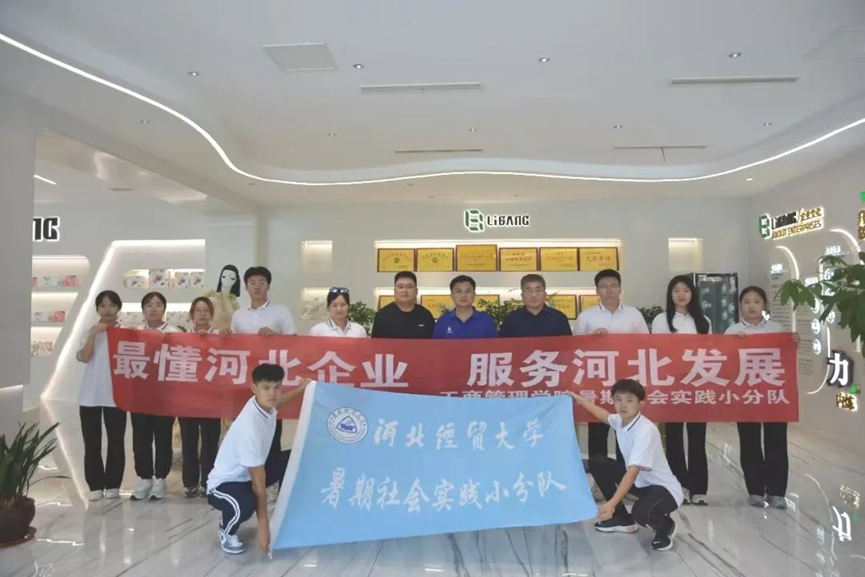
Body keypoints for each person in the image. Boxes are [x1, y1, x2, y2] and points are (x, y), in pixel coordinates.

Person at [206, 365, 310, 555]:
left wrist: (300, 390)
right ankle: (226, 530)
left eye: (277, 387)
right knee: (244, 506)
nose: (272, 393)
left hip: (249, 475)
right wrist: (264, 527)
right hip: (225, 484)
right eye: (266, 388)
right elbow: (258, 484)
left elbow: (277, 404)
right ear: (254, 388)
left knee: (296, 458)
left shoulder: (263, 405)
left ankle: (287, 513)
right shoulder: (250, 428)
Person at [570, 379, 684, 552]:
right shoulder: (621, 420)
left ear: (640, 404)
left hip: (665, 490)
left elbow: (632, 472)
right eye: (618, 399)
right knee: (597, 462)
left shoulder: (645, 431)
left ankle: (665, 525)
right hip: (641, 484)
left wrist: (611, 503)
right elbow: (603, 415)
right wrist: (581, 400)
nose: (623, 405)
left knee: (640, 513)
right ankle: (622, 518)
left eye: (629, 400)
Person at [725, 286, 797, 509]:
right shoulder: (732, 331)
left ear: (764, 305)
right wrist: (733, 344)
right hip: (746, 394)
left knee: (777, 442)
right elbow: (724, 362)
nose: (752, 306)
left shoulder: (777, 329)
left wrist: (793, 341)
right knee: (750, 442)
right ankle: (755, 490)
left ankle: (777, 492)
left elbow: (786, 358)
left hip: (774, 394)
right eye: (747, 302)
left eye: (756, 301)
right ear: (740, 305)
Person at [229, 266, 296, 500]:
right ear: (246, 286)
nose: (257, 287)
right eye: (252, 282)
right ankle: (245, 479)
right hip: (246, 382)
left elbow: (295, 342)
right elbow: (232, 347)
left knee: (272, 434)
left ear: (268, 285)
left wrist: (276, 337)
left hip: (271, 385)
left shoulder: (281, 312)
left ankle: (272, 482)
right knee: (247, 432)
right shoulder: (239, 316)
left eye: (261, 282)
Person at [573, 269, 648, 468]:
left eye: (613, 286)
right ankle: (600, 479)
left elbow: (646, 344)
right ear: (597, 290)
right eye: (604, 287)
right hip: (597, 383)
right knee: (597, 434)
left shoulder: (633, 315)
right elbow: (575, 349)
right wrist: (591, 339)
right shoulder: (586, 316)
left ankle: (626, 478)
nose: (609, 290)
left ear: (620, 288)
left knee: (626, 432)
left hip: (627, 384)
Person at [651, 275, 712, 506]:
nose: (681, 295)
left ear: (692, 293)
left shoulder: (703, 321)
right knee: (674, 439)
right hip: (671, 386)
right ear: (670, 294)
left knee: (697, 439)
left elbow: (710, 353)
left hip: (697, 386)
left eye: (686, 290)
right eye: (676, 290)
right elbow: (657, 352)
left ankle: (699, 489)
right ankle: (680, 487)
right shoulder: (661, 320)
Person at [76, 290, 126, 501]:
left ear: (118, 308)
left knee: (116, 441)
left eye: (112, 305)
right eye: (103, 305)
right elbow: (84, 357)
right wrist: (95, 333)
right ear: (97, 309)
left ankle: (113, 484)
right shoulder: (89, 331)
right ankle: (95, 485)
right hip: (90, 395)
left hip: (117, 396)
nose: (108, 310)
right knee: (92, 442)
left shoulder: (126, 332)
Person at [130, 292, 181, 501]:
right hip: (139, 395)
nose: (153, 308)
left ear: (164, 309)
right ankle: (144, 478)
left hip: (164, 396)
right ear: (143, 309)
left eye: (158, 304)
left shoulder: (174, 333)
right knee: (140, 439)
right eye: (149, 305)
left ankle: (160, 479)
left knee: (162, 437)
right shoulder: (133, 333)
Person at [179, 297, 223, 498]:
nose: (202, 314)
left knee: (210, 441)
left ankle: (208, 481)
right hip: (187, 398)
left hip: (211, 398)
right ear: (191, 315)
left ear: (211, 314)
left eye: (206, 310)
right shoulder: (182, 337)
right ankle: (189, 483)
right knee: (188, 441)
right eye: (198, 310)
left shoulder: (221, 336)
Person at [499, 274, 572, 337]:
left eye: (538, 290)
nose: (534, 295)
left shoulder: (559, 318)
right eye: (529, 291)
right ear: (522, 296)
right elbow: (503, 346)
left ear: (545, 295)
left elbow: (568, 346)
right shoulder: (511, 320)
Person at [371, 271, 435, 339]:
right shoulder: (382, 315)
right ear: (394, 290)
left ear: (416, 291)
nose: (404, 290)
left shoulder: (425, 315)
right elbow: (375, 343)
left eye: (409, 287)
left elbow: (433, 343)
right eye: (400, 287)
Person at [433, 275, 498, 339]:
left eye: (468, 291)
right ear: (452, 295)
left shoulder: (486, 321)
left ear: (474, 295)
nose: (463, 295)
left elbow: (495, 345)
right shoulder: (443, 321)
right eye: (459, 291)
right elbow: (436, 345)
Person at [205, 264, 241, 333]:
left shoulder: (234, 303)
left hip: (229, 336)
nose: (227, 280)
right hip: (213, 336)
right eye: (224, 277)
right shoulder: (212, 300)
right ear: (220, 278)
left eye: (232, 278)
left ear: (236, 280)